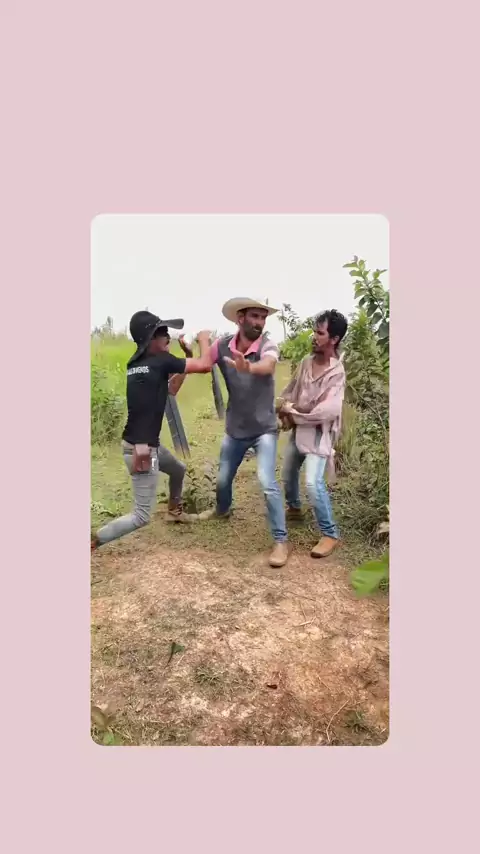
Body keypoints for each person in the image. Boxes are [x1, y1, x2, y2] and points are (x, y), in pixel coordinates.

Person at [91, 311, 212, 551]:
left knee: (178, 469)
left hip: (140, 445)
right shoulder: (160, 361)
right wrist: (204, 339)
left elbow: (170, 390)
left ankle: (174, 511)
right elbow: (206, 365)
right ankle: (94, 541)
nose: (168, 337)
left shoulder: (136, 365)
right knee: (141, 515)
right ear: (150, 338)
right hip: (143, 451)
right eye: (162, 332)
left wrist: (187, 358)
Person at [200, 297, 290, 568]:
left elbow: (269, 365)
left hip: (264, 429)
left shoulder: (267, 344)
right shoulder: (222, 345)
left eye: (263, 317)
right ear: (240, 318)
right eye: (255, 316)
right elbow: (203, 364)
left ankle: (280, 541)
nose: (260, 322)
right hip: (236, 429)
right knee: (222, 480)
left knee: (266, 481)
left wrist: (248, 366)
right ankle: (222, 510)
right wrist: (198, 345)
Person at [278, 309, 348, 559]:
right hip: (299, 430)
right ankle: (295, 509)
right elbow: (291, 391)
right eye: (315, 331)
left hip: (318, 435)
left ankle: (330, 534)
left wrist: (295, 410)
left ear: (334, 339)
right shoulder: (306, 363)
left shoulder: (336, 373)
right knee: (288, 472)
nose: (314, 337)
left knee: (312, 482)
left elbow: (328, 410)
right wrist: (285, 407)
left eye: (320, 333)